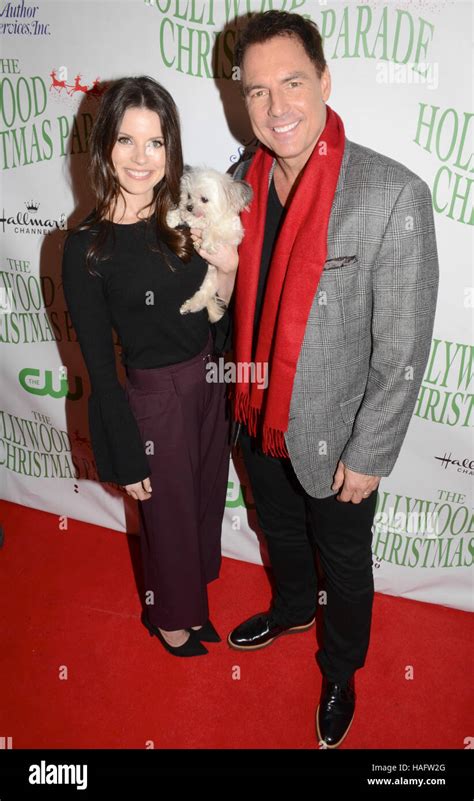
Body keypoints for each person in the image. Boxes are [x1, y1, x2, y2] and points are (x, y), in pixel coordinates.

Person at [223, 11, 439, 747]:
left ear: (324, 82)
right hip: (256, 415)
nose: (276, 107)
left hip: (338, 434)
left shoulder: (389, 194)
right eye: (257, 92)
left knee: (344, 561)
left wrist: (371, 452)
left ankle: (341, 668)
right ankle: (289, 607)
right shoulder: (238, 183)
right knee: (278, 528)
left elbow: (403, 345)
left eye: (291, 83)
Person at [61, 76, 238, 657]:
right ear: (105, 145)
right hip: (153, 397)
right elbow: (96, 365)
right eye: (127, 141)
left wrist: (229, 270)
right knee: (166, 516)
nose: (141, 158)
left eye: (156, 143)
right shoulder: (87, 246)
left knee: (206, 498)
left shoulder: (182, 218)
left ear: (172, 150)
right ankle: (167, 616)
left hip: (208, 380)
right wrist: (124, 447)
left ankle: (194, 597)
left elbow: (217, 308)